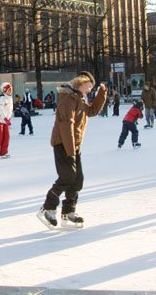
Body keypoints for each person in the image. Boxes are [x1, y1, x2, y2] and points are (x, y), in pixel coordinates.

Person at [38, 72, 107, 229]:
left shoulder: (80, 99)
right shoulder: (68, 100)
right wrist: (70, 151)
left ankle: (68, 213)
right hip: (62, 144)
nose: (90, 89)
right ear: (80, 84)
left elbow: (92, 111)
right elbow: (66, 125)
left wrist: (102, 95)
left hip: (74, 145)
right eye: (89, 86)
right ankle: (47, 208)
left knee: (77, 180)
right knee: (67, 177)